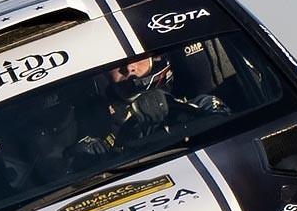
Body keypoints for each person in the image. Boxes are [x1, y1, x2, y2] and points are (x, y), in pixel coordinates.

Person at [71, 54, 230, 160]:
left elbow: (226, 125)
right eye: (116, 61)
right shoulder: (92, 126)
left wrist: (175, 107)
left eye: (137, 57)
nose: (129, 68)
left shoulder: (202, 105)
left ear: (155, 59)